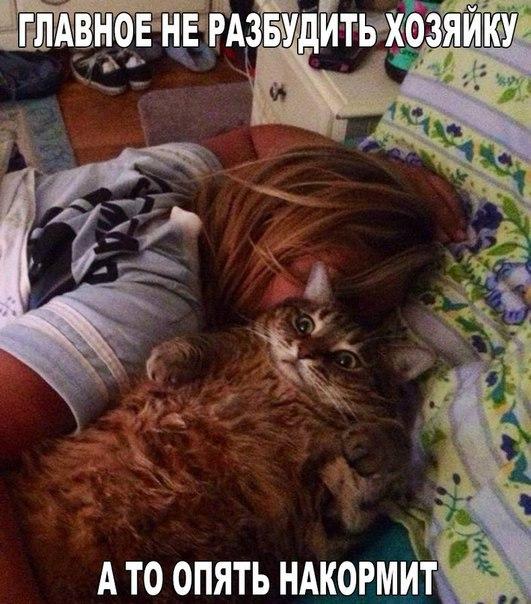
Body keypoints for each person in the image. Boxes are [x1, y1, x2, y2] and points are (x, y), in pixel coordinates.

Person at [0, 124, 465, 602]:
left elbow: (256, 141)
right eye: (332, 287)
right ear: (276, 222)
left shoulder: (177, 174)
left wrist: (383, 173)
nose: (329, 312)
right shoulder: (154, 311)